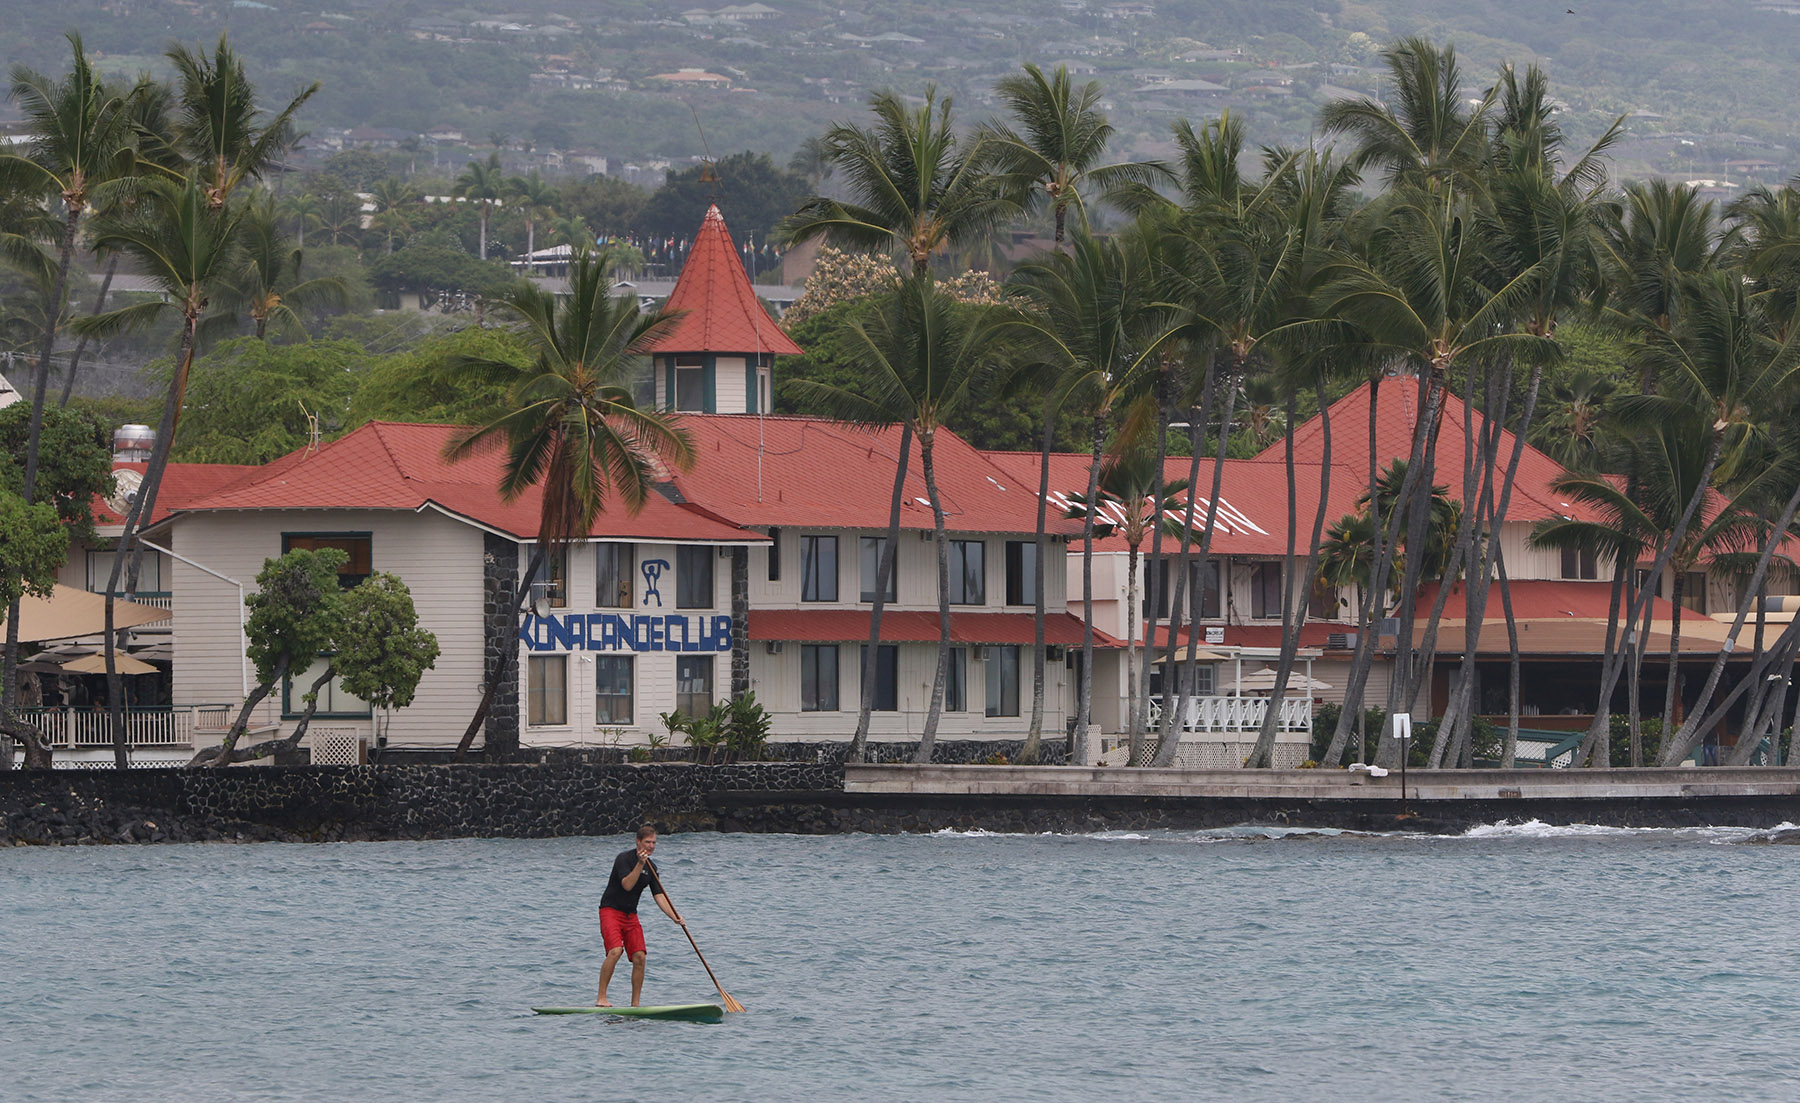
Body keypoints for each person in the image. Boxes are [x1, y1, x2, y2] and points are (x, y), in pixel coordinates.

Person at [596, 824, 684, 1007]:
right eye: (647, 842)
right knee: (615, 951)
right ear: (638, 842)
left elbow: (659, 896)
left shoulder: (652, 868)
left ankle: (635, 1005)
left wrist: (674, 917)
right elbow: (627, 885)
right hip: (610, 910)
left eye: (654, 842)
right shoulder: (624, 859)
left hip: (630, 915)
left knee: (640, 957)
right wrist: (640, 864)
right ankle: (601, 998)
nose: (651, 846)